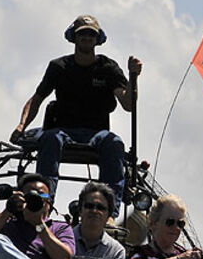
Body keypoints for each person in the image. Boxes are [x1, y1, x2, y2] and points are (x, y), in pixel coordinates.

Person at [10, 14, 142, 218]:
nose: (87, 38)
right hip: (62, 131)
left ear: (98, 39)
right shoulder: (59, 67)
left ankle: (110, 214)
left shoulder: (108, 68)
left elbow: (128, 104)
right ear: (74, 37)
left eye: (91, 34)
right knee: (50, 138)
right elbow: (36, 99)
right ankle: (43, 206)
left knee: (114, 143)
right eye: (82, 34)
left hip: (96, 133)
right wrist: (21, 126)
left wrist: (133, 77)